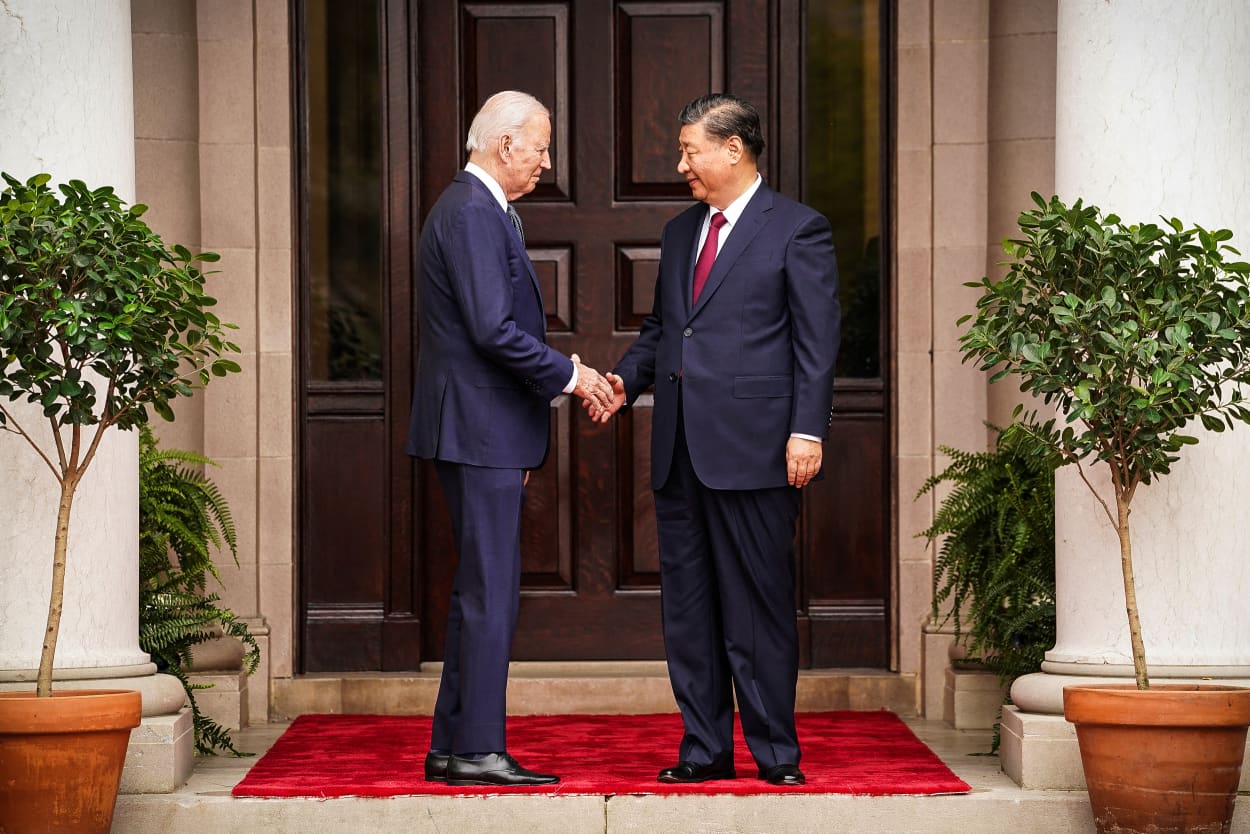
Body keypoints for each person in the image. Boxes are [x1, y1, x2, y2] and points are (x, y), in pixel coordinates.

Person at [592, 93, 840, 787]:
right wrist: (623, 383)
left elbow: (817, 345)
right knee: (690, 610)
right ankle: (703, 749)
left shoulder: (798, 229)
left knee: (758, 610)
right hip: (679, 453)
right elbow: (662, 332)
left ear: (735, 150)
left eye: (690, 151)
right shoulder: (678, 233)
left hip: (759, 451)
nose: (681, 166)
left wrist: (805, 430)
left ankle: (775, 756)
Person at [406, 90, 615, 787]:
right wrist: (574, 375)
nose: (546, 161)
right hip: (480, 428)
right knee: (491, 592)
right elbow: (492, 330)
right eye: (541, 147)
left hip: (484, 428)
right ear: (504, 146)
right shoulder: (471, 212)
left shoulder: (479, 210)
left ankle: (451, 745)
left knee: (480, 588)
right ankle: (479, 750)